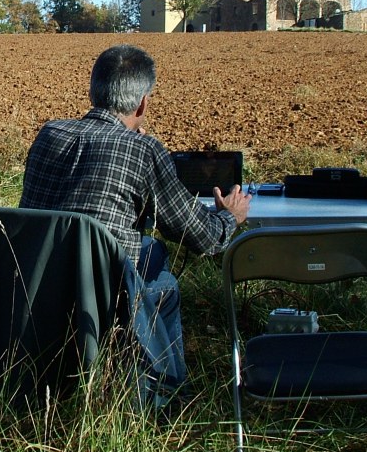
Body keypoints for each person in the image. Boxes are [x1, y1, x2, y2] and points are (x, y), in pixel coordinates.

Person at [20, 43, 251, 398]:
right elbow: (204, 238)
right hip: (102, 300)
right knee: (165, 284)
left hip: (32, 288)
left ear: (93, 91)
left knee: (152, 247)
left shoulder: (49, 133)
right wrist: (228, 216)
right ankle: (162, 396)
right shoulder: (144, 150)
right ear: (142, 103)